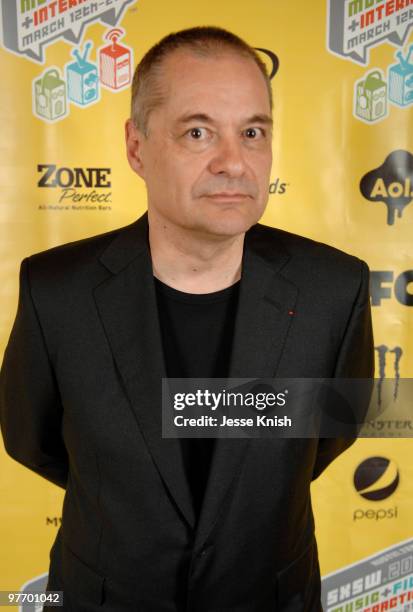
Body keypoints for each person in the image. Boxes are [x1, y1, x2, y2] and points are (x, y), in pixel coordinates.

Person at [0, 26, 374, 612]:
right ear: (136, 147)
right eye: (198, 132)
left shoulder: (335, 287)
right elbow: (34, 441)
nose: (233, 162)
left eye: (252, 132)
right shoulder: (56, 290)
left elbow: (329, 437)